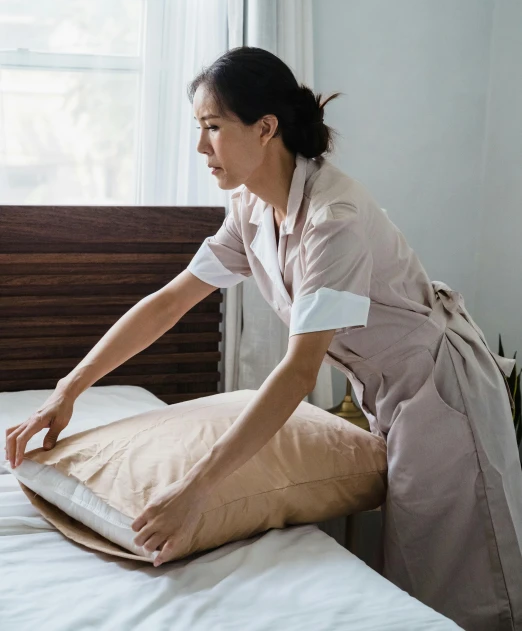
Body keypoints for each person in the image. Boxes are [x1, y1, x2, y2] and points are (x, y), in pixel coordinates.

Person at [5, 47, 522, 629]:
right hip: (392, 396)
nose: (201, 147)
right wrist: (67, 390)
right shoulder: (251, 209)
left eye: (212, 128)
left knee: (469, 588)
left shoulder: (335, 221)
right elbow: (169, 303)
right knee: (414, 569)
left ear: (266, 128)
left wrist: (196, 489)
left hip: (445, 397)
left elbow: (300, 372)